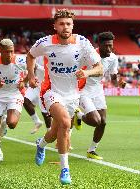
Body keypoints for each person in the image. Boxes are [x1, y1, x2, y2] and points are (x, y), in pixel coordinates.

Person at [26, 9, 103, 185]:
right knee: (66, 124)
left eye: (68, 23)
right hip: (51, 91)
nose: (65, 27)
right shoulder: (44, 43)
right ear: (55, 26)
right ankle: (65, 170)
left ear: (72, 25)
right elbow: (30, 56)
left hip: (73, 95)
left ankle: (41, 145)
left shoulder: (82, 43)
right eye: (61, 24)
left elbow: (99, 68)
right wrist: (31, 75)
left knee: (54, 132)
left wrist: (87, 72)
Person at [75, 32, 126, 160]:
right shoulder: (88, 56)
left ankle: (91, 150)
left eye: (111, 46)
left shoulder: (113, 58)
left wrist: (119, 82)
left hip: (97, 90)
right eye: (106, 46)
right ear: (99, 45)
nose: (109, 49)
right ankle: (78, 115)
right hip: (83, 90)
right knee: (95, 121)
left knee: (103, 122)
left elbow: (113, 79)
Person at [0, 39, 27, 164]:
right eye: (7, 52)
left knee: (12, 123)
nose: (9, 55)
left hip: (15, 94)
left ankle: (5, 122)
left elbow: (32, 69)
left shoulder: (19, 61)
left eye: (12, 52)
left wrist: (24, 81)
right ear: (0, 51)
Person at [23, 32, 52, 134]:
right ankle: (37, 121)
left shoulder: (48, 53)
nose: (34, 44)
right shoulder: (33, 53)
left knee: (45, 113)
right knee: (25, 101)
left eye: (35, 42)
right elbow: (32, 71)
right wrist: (24, 81)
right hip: (36, 84)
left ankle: (50, 132)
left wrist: (37, 67)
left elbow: (50, 70)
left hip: (46, 86)